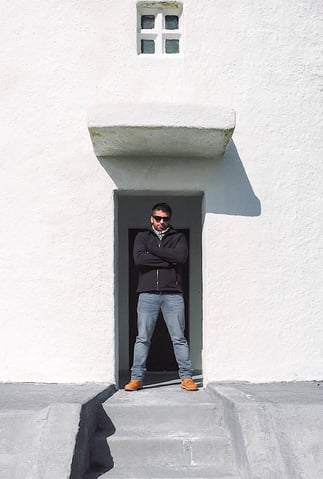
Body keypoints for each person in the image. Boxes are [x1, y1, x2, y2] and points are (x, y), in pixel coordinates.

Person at [124, 202, 198, 391]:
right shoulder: (142, 237)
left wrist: (154, 250)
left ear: (169, 220)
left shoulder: (178, 237)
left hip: (173, 294)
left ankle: (186, 377)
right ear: (152, 219)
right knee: (142, 338)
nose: (161, 222)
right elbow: (139, 259)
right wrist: (169, 259)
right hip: (147, 294)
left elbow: (180, 258)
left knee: (179, 338)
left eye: (165, 219)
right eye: (158, 218)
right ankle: (136, 378)